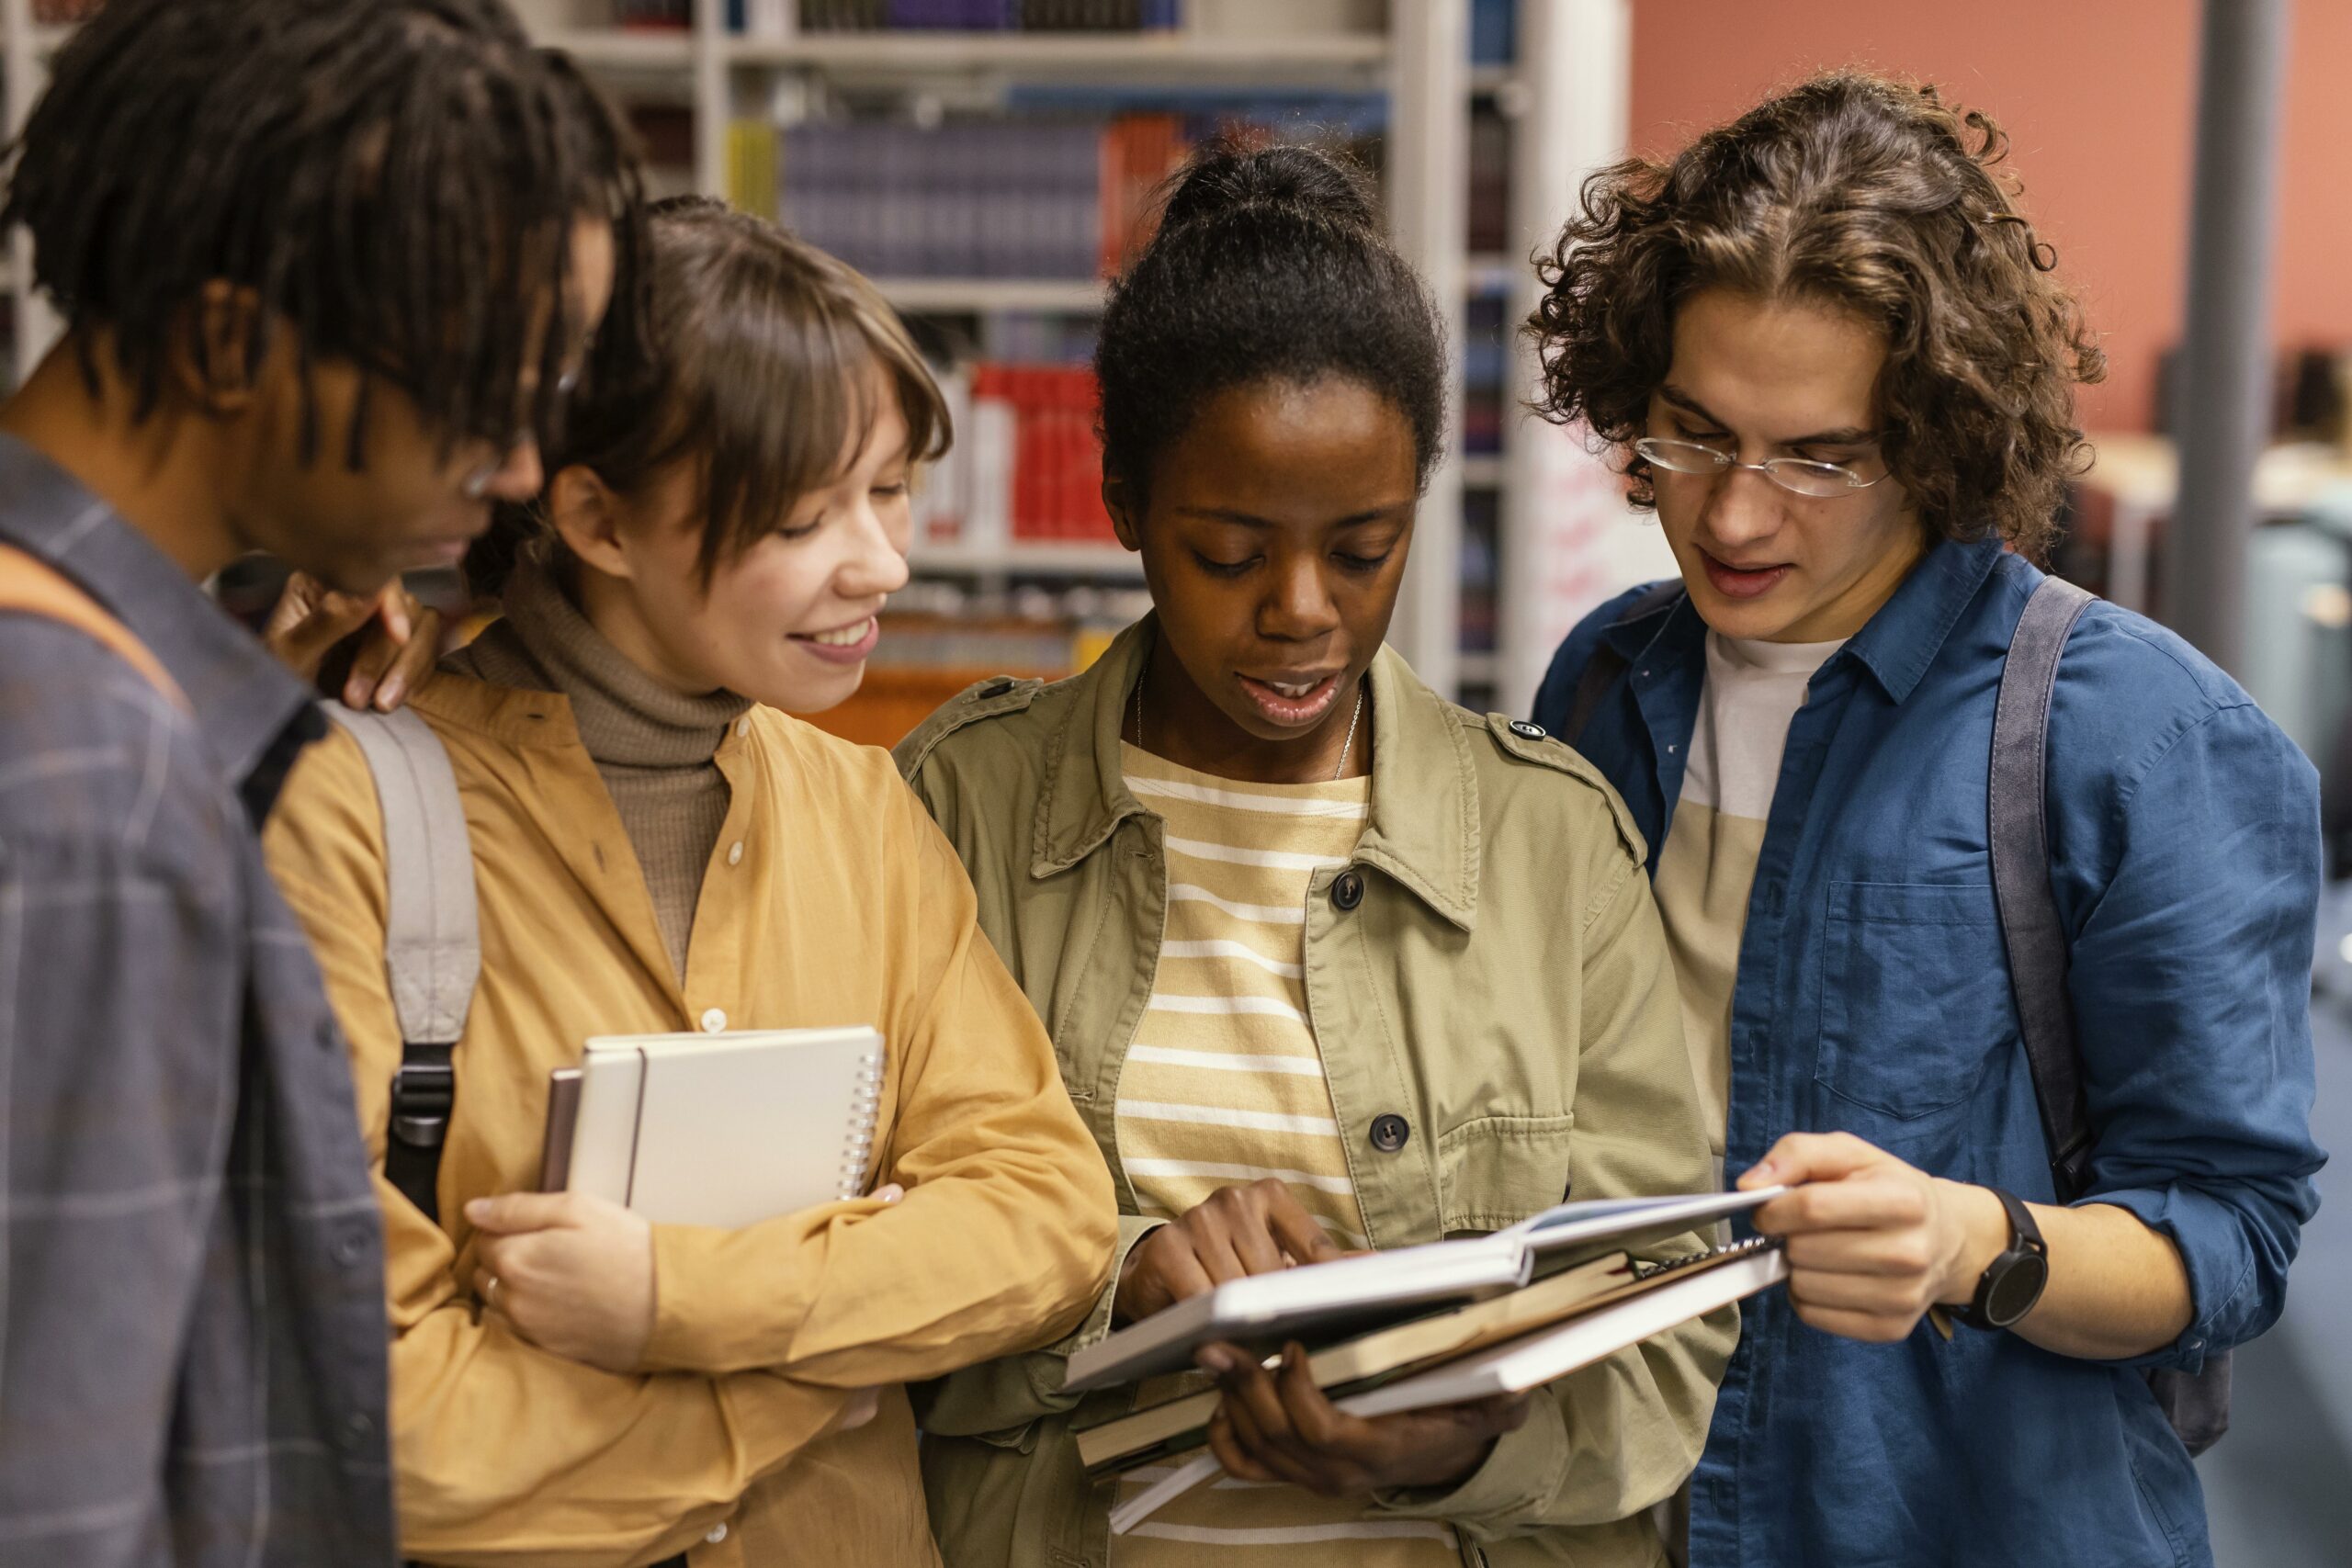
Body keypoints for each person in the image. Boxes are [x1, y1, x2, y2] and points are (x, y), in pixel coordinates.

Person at [1528, 73, 2325, 1568]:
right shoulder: (1604, 681)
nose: (1735, 516)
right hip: (1621, 1516)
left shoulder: (2139, 742)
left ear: (1939, 437)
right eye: (1692, 434)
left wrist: (1977, 1243)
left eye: (1819, 458)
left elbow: (2231, 1236)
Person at [899, 141, 1732, 1568]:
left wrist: (1468, 1434)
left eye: (1363, 549)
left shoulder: (1548, 842)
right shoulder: (956, 810)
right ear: (1121, 506)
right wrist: (1113, 1287)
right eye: (1228, 552)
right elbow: (841, 1260)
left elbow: (1668, 1334)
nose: (1301, 613)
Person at [259, 197, 1117, 1568]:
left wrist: (676, 1296)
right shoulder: (349, 808)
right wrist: (817, 1369)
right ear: (596, 519)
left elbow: (1047, 1223)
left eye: (889, 490)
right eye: (802, 517)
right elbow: (388, 1422)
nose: (883, 563)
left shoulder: (864, 809)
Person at [0, 3, 630, 1562]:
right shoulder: (85, 768)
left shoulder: (109, 708)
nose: (520, 471)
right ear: (226, 343)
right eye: (485, 391)